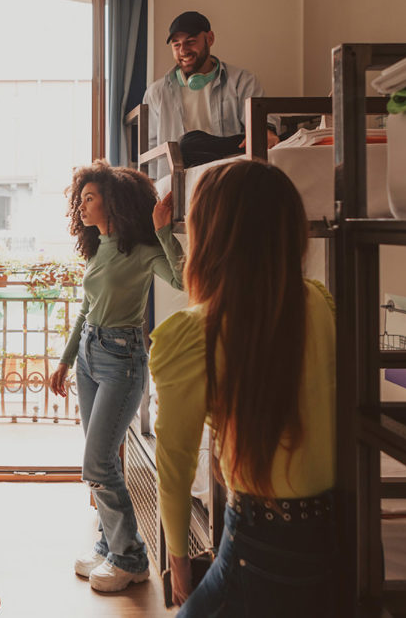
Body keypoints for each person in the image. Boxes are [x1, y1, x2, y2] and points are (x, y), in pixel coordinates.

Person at [149, 159, 338, 616]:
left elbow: (174, 465)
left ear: (210, 237)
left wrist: (177, 560)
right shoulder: (321, 303)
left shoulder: (195, 333)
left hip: (261, 543)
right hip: (337, 537)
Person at [48, 160, 184, 592]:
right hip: (90, 354)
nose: (82, 206)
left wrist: (164, 231)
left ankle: (131, 558)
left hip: (122, 360)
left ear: (113, 201)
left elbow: (183, 279)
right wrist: (65, 360)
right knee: (103, 459)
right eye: (81, 199)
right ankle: (109, 546)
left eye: (90, 198)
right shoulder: (100, 246)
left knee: (97, 462)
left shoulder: (142, 251)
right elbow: (87, 310)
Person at [142, 11, 280, 169]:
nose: (183, 51)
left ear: (210, 39)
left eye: (191, 41)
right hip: (179, 171)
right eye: (176, 44)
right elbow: (150, 149)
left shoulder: (241, 81)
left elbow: (263, 118)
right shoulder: (156, 92)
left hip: (228, 171)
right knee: (187, 144)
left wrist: (266, 130)